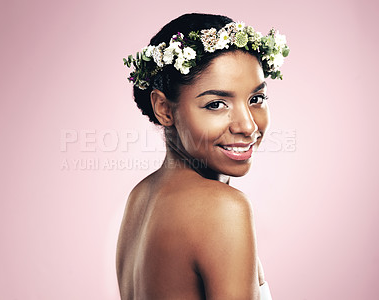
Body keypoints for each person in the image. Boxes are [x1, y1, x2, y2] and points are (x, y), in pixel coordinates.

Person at [116, 13, 289, 300]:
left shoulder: (141, 197)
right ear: (163, 108)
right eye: (216, 104)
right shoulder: (222, 208)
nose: (247, 125)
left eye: (256, 99)